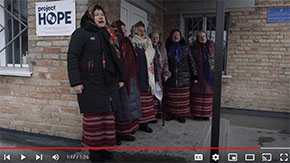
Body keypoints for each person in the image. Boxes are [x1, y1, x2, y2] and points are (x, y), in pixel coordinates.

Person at [67, 4, 125, 162]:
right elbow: (72, 57)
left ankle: (104, 148)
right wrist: (75, 82)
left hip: (108, 83)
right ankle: (94, 151)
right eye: (97, 14)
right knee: (94, 118)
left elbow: (117, 59)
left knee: (107, 118)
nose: (101, 17)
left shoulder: (109, 34)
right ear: (89, 17)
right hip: (90, 83)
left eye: (102, 14)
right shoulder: (81, 34)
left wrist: (121, 78)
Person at [111, 20, 142, 143]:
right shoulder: (115, 41)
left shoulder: (126, 40)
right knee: (123, 105)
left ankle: (129, 129)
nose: (124, 30)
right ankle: (120, 132)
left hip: (131, 75)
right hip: (121, 78)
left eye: (124, 28)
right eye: (122, 28)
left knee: (131, 103)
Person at [164, 29, 198, 123]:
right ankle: (171, 114)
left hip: (184, 77)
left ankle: (181, 115)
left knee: (182, 99)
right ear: (171, 36)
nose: (176, 36)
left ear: (181, 36)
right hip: (171, 77)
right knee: (171, 98)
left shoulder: (186, 47)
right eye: (174, 35)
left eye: (178, 34)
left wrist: (195, 75)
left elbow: (192, 62)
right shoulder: (167, 47)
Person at [130, 21, 156, 133]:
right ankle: (135, 124)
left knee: (146, 102)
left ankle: (145, 124)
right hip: (136, 75)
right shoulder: (132, 43)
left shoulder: (148, 43)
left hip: (147, 76)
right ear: (135, 31)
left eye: (143, 30)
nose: (142, 32)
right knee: (136, 101)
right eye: (139, 30)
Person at [190, 31, 215, 121]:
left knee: (207, 95)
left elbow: (214, 61)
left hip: (209, 76)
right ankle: (196, 114)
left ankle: (206, 114)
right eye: (200, 37)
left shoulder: (211, 47)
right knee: (197, 94)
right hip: (198, 75)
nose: (202, 38)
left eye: (204, 36)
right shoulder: (194, 48)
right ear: (197, 38)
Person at [149, 31, 171, 121]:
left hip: (159, 75)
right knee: (150, 96)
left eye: (157, 37)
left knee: (158, 95)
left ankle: (156, 115)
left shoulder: (162, 48)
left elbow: (165, 62)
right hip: (150, 74)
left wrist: (166, 73)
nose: (155, 39)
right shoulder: (147, 47)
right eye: (153, 37)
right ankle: (150, 115)